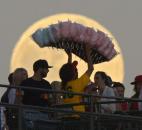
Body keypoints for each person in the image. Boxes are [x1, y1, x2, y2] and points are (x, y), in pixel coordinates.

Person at [59, 44, 94, 112]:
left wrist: (70, 56)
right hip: (77, 115)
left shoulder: (63, 84)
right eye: (75, 70)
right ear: (73, 74)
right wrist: (88, 52)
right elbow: (91, 68)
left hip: (65, 114)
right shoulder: (78, 83)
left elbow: (67, 71)